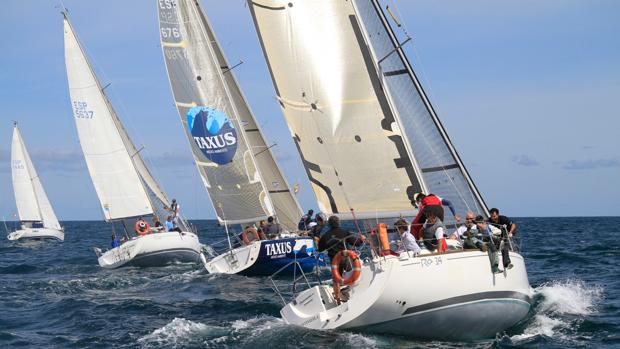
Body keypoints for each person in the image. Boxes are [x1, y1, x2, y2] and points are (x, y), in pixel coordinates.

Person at [318, 215, 366, 303]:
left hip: (334, 260)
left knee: (336, 280)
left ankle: (338, 299)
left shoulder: (325, 236)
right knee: (352, 274)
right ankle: (353, 293)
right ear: (339, 223)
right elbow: (356, 243)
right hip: (346, 258)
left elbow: (320, 249)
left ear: (329, 224)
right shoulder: (344, 232)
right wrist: (361, 239)